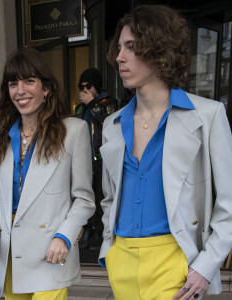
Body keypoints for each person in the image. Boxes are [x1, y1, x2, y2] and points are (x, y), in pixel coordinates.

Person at [99, 5, 232, 300]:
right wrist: (110, 251)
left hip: (176, 263)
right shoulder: (113, 124)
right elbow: (110, 198)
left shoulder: (207, 116)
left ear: (159, 51)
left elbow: (230, 203)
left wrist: (205, 266)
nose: (119, 57)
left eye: (131, 47)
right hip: (122, 262)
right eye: (119, 47)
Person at [0, 48, 95, 299]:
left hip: (50, 252)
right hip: (9, 256)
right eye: (13, 83)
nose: (20, 90)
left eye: (29, 81)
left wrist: (65, 236)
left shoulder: (73, 131)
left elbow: (84, 199)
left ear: (46, 88)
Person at [74, 68, 118, 249]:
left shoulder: (109, 102)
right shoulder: (80, 108)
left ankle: (100, 234)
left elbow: (109, 122)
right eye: (81, 86)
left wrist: (92, 104)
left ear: (96, 87)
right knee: (85, 197)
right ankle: (87, 231)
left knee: (101, 199)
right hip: (83, 161)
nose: (84, 90)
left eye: (88, 86)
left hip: (102, 160)